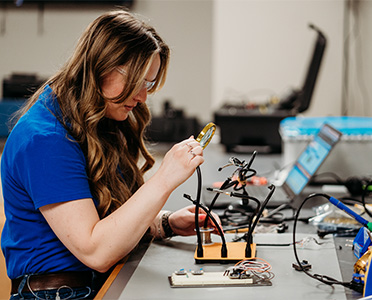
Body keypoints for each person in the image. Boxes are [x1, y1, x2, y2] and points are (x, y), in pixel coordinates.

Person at [1, 9, 219, 300]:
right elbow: (96, 250)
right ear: (103, 67)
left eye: (149, 84)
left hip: (92, 284)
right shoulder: (46, 139)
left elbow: (107, 219)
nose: (143, 96)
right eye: (139, 81)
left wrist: (165, 223)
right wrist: (165, 178)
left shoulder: (95, 118)